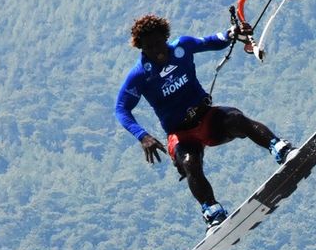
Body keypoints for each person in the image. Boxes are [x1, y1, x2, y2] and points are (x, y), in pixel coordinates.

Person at [114, 14, 294, 228]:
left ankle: (281, 149)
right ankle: (212, 212)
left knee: (236, 118)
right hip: (181, 134)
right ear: (141, 48)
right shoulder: (139, 75)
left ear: (166, 37)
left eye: (158, 43)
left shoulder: (182, 47)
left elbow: (213, 41)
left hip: (207, 119)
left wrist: (233, 33)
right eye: (149, 47)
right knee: (190, 163)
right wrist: (142, 136)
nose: (156, 51)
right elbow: (121, 109)